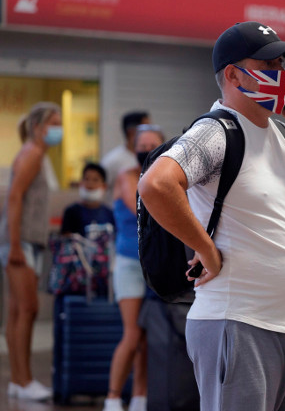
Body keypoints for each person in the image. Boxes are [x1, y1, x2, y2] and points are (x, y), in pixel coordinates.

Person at [138, 21, 285, 411]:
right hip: (238, 324)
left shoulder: (284, 135)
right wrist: (206, 249)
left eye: (282, 63)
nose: (280, 75)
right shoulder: (216, 132)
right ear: (233, 74)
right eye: (268, 64)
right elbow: (155, 185)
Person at [0, 102, 62, 401]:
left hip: (27, 241)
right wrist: (14, 245)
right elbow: (13, 198)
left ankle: (17, 380)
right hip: (20, 242)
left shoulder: (37, 155)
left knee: (16, 311)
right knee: (27, 309)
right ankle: (24, 382)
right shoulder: (32, 154)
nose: (58, 129)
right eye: (54, 122)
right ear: (38, 126)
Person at [103, 125, 165, 411]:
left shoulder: (166, 178)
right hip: (129, 262)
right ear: (133, 148)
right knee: (131, 333)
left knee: (148, 334)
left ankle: (141, 395)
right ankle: (113, 396)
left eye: (154, 144)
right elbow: (140, 206)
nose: (147, 149)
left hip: (153, 264)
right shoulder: (127, 177)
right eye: (143, 144)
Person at [101, 111, 151, 198]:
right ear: (131, 132)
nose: (150, 132)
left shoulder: (152, 157)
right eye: (146, 128)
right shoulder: (112, 161)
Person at [60, 163, 115, 237]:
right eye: (86, 179)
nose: (90, 184)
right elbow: (66, 240)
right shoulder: (71, 212)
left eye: (95, 180)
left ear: (104, 186)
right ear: (81, 182)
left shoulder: (110, 214)